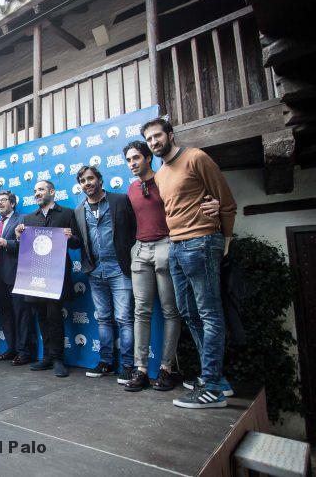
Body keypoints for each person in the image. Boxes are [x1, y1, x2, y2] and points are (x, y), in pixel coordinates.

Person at [142, 117, 237, 409]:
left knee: (209, 313)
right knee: (187, 312)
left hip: (203, 241)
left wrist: (227, 239)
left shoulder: (196, 157)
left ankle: (211, 388)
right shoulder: (159, 174)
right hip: (176, 246)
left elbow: (226, 202)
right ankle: (216, 378)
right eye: (149, 140)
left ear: (170, 135)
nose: (154, 142)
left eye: (158, 136)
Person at [123, 141, 220, 392]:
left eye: (136, 158)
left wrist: (215, 207)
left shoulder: (165, 179)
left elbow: (190, 204)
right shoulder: (131, 189)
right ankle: (140, 369)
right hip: (140, 249)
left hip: (168, 246)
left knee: (171, 311)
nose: (132, 164)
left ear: (147, 158)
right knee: (141, 311)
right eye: (128, 160)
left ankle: (166, 368)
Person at [70, 166, 136, 385]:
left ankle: (128, 366)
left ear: (99, 180)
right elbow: (78, 241)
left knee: (124, 318)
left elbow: (134, 229)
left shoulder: (119, 200)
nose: (87, 183)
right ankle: (106, 361)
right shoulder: (78, 210)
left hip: (119, 268)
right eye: (82, 180)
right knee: (104, 318)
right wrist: (66, 238)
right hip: (95, 270)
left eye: (90, 178)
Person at [15, 180, 78, 378]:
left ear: (52, 191)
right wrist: (18, 236)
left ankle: (58, 358)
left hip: (57, 276)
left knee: (54, 316)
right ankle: (47, 357)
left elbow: (78, 243)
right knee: (41, 316)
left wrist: (71, 237)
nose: (37, 193)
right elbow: (23, 248)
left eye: (41, 189)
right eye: (35, 191)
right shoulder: (28, 218)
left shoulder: (67, 213)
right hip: (36, 277)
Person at [0, 191, 33, 366]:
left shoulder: (22, 219)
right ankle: (12, 348)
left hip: (17, 275)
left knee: (21, 314)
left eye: (3, 200)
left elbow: (28, 244)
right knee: (6, 314)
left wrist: (7, 243)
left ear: (13, 203)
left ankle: (24, 352)